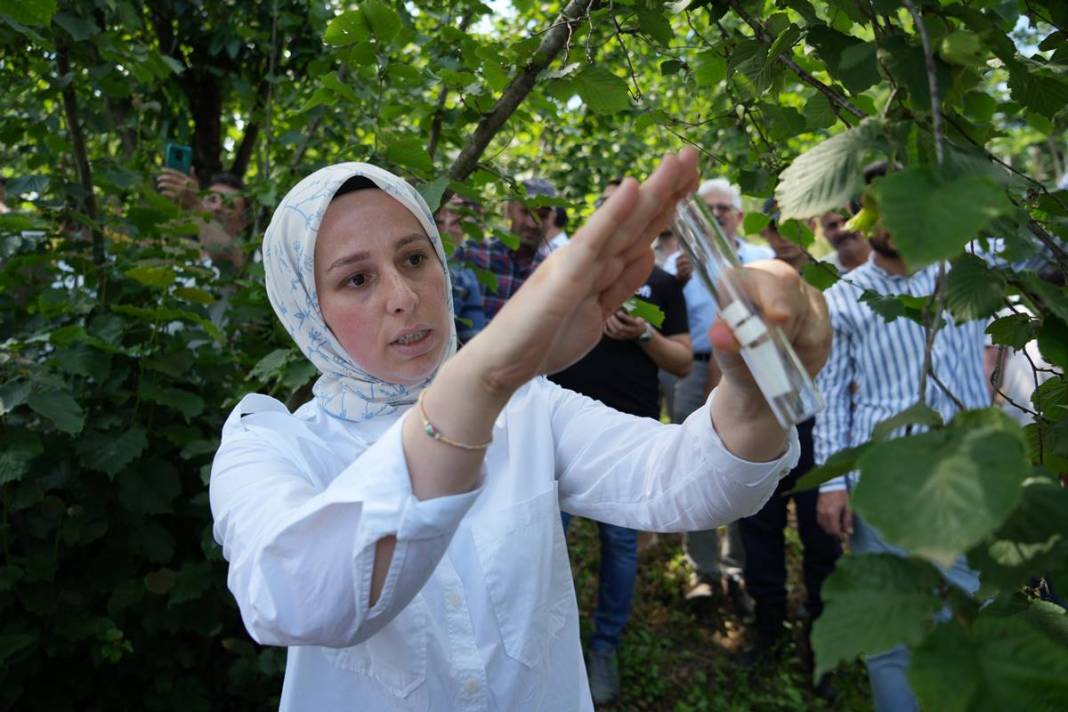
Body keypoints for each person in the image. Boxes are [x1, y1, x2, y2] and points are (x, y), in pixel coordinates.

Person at [209, 150, 831, 711]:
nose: (403, 295)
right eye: (356, 279)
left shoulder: (529, 407)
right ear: (304, 309)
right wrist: (486, 379)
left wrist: (750, 394)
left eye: (414, 257)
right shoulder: (267, 442)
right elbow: (294, 596)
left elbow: (685, 482)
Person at [814, 162, 987, 712]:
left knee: (967, 623)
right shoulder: (843, 298)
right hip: (880, 488)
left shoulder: (967, 274)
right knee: (890, 641)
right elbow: (832, 396)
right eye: (874, 205)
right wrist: (832, 483)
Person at [550, 182, 692, 705]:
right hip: (560, 436)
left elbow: (681, 360)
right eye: (605, 205)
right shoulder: (572, 275)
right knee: (544, 538)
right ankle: (547, 635)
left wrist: (644, 335)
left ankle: (604, 646)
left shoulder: (662, 285)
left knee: (620, 542)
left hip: (628, 435)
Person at [737, 202, 842, 675]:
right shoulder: (755, 282)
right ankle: (768, 625)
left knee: (822, 537)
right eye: (775, 229)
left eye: (795, 227)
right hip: (769, 422)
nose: (784, 238)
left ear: (813, 227)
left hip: (823, 427)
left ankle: (821, 640)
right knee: (761, 526)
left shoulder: (837, 283)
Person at [663, 178, 774, 619]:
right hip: (693, 371)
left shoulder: (762, 260)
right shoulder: (677, 264)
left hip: (751, 375)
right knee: (696, 466)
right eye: (707, 210)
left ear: (740, 215)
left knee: (746, 466)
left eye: (724, 208)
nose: (718, 216)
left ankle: (737, 568)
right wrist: (674, 277)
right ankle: (703, 570)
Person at [452, 178, 554, 319]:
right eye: (526, 212)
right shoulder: (472, 254)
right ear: (509, 209)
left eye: (542, 216)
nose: (532, 224)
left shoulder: (551, 272)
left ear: (552, 219)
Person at [156, 167, 249, 269]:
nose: (217, 208)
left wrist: (195, 205)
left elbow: (227, 258)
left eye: (229, 205)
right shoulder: (177, 252)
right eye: (212, 199)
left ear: (242, 223)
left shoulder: (250, 260)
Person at [435, 195, 488, 344]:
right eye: (438, 221)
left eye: (456, 222)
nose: (446, 228)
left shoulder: (467, 273)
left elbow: (473, 340)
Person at [819, 209, 870, 273]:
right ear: (824, 235)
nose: (841, 231)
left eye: (847, 220)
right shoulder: (822, 270)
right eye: (832, 226)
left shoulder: (884, 254)